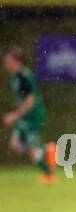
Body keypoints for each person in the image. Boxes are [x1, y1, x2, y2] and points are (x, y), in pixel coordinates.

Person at [2, 47, 56, 183]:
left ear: (17, 61)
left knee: (31, 149)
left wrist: (15, 115)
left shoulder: (24, 76)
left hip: (34, 117)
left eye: (9, 61)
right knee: (16, 145)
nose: (6, 65)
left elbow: (31, 101)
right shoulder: (15, 78)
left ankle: (49, 174)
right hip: (25, 117)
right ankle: (47, 150)